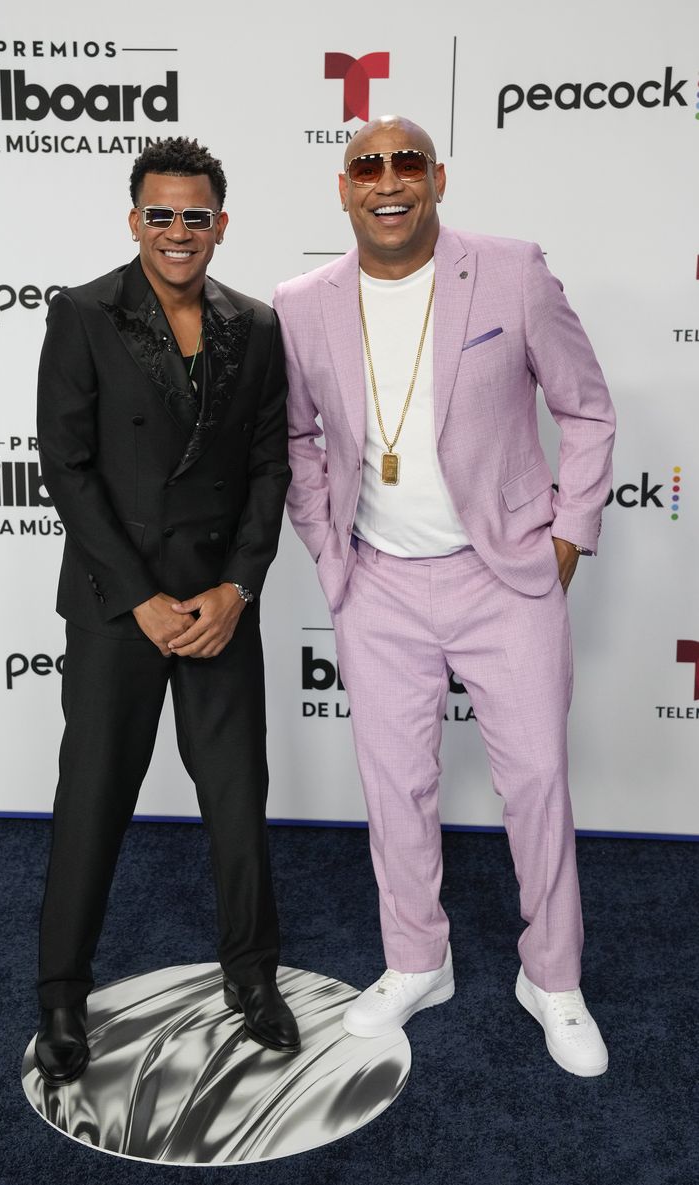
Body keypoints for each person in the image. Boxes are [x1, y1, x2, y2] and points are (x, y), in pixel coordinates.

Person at [274, 116, 615, 1077]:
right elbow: (298, 438)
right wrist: (329, 554)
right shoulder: (301, 303)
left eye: (408, 163)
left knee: (538, 781)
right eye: (367, 166)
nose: (389, 181)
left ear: (438, 178)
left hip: (503, 574)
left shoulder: (511, 271)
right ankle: (418, 958)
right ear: (343, 189)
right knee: (395, 788)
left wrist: (569, 533)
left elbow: (585, 405)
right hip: (376, 581)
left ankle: (552, 976)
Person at [33, 136, 299, 1086]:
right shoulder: (84, 314)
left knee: (237, 794)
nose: (178, 232)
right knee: (94, 795)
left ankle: (253, 974)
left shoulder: (257, 325)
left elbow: (272, 463)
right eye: (161, 215)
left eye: (196, 217)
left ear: (220, 225)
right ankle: (62, 993)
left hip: (220, 603)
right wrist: (141, 598)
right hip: (120, 605)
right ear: (134, 218)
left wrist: (238, 586)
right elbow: (65, 467)